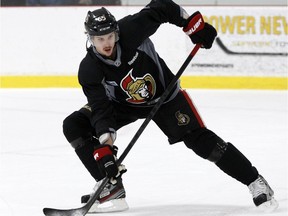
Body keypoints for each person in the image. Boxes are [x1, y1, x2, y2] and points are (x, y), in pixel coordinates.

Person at [62, 0, 278, 213]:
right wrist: (106, 147)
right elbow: (101, 109)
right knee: (74, 125)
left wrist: (193, 26)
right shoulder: (89, 69)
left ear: (117, 33)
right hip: (122, 104)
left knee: (200, 141)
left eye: (110, 36)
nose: (106, 43)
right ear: (90, 39)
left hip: (166, 98)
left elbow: (162, 7)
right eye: (99, 39)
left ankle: (255, 181)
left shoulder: (132, 29)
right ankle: (110, 186)